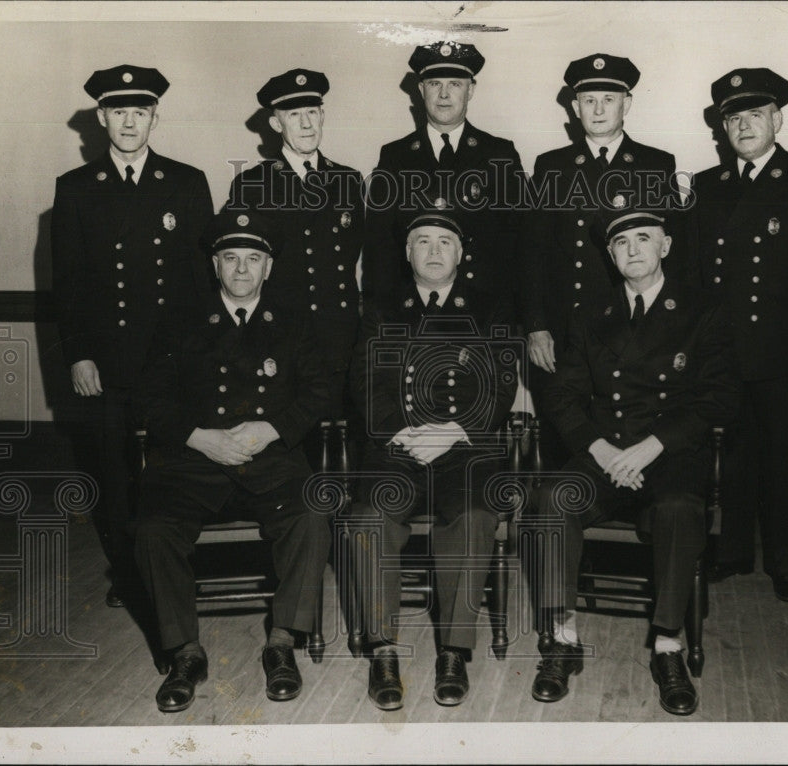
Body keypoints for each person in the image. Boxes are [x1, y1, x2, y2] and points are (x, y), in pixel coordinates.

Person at [526, 200, 737, 715]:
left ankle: (667, 646)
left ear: (665, 246)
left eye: (643, 238)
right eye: (620, 242)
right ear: (610, 255)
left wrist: (651, 447)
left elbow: (718, 398)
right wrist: (600, 449)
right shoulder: (592, 315)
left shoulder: (702, 311)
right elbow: (562, 397)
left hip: (665, 455)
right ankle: (562, 636)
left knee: (679, 511)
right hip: (604, 453)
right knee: (551, 499)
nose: (632, 249)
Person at [132, 210, 332, 713]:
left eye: (253, 259)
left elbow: (320, 390)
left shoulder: (294, 321)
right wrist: (200, 437)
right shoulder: (179, 320)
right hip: (195, 462)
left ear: (268, 268)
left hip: (270, 460)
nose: (241, 269)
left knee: (311, 515)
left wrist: (272, 428)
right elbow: (151, 399)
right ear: (214, 265)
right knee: (153, 529)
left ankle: (282, 641)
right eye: (230, 258)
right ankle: (186, 653)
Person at [51, 65, 214, 608]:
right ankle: (129, 573)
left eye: (138, 111)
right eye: (117, 111)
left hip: (174, 360)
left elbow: (203, 280)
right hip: (109, 362)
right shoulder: (74, 190)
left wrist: (205, 356)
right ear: (101, 118)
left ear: (154, 118)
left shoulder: (186, 183)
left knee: (175, 467)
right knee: (115, 475)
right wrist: (78, 355)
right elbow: (67, 283)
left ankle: (175, 566)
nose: (128, 121)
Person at [346, 210, 518, 711]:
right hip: (396, 448)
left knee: (475, 516)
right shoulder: (380, 309)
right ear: (407, 253)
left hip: (464, 448)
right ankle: (382, 650)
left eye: (445, 241)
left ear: (461, 254)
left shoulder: (490, 307)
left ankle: (454, 653)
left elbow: (502, 384)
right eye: (423, 241)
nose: (435, 251)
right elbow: (363, 383)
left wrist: (452, 431)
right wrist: (402, 431)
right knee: (368, 517)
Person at [689, 68, 788, 602]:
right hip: (725, 355)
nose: (743, 125)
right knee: (732, 459)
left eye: (755, 114)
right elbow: (696, 278)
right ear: (723, 127)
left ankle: (785, 564)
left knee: (783, 461)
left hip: (786, 354)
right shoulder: (708, 187)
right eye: (733, 117)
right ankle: (733, 553)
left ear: (776, 118)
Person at [521, 53, 680, 469]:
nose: (597, 109)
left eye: (607, 99)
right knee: (563, 446)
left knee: (629, 442)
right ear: (574, 107)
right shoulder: (551, 166)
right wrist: (537, 326)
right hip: (561, 334)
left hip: (628, 333)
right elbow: (533, 254)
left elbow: (672, 257)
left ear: (626, 104)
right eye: (587, 100)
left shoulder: (655, 165)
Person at [227, 68, 364, 419]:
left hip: (340, 340)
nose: (305, 125)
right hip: (283, 339)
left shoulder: (348, 181)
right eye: (293, 115)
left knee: (339, 445)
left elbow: (357, 256)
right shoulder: (252, 185)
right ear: (276, 124)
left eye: (312, 113)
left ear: (322, 116)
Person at [362, 41, 525, 305]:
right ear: (421, 89)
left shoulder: (499, 154)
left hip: (486, 310)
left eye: (455, 84)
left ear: (471, 90)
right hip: (414, 309)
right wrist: (379, 321)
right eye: (435, 84)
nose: (444, 94)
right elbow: (379, 248)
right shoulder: (394, 157)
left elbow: (522, 242)